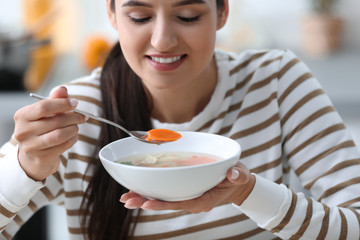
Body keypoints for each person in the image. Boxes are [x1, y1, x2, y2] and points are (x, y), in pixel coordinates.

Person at [1, 0, 360, 239]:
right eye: (139, 17)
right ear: (112, 15)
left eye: (188, 16)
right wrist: (26, 165)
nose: (163, 40)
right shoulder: (76, 112)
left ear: (222, 13)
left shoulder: (275, 82)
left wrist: (249, 193)